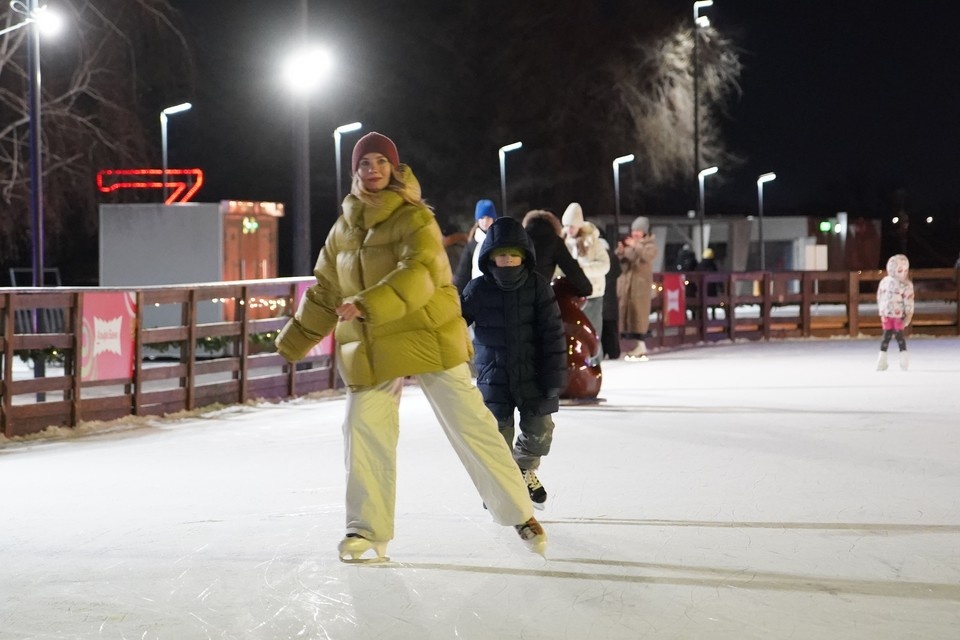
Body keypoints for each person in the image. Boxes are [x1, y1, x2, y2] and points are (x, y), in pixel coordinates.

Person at [274, 132, 546, 562]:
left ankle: (520, 513)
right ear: (355, 171)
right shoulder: (344, 227)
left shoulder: (415, 218)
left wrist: (367, 303)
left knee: (470, 423)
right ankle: (366, 531)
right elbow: (326, 289)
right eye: (365, 163)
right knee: (362, 427)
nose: (373, 170)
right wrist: (294, 341)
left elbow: (419, 272)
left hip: (428, 332)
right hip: (373, 342)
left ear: (394, 168)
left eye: (381, 162)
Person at [460, 216, 567, 510]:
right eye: (501, 254)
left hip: (535, 376)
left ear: (524, 255)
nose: (507, 259)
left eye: (513, 253)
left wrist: (554, 378)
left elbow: (553, 334)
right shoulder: (477, 289)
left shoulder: (538, 287)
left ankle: (520, 470)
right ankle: (500, 485)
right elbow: (454, 324)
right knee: (496, 438)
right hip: (494, 377)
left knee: (540, 434)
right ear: (490, 256)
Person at [561, 203, 611, 363]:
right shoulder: (562, 242)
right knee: (573, 331)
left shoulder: (593, 242)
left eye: (572, 226)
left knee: (592, 331)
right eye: (566, 226)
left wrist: (582, 270)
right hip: (571, 295)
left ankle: (594, 364)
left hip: (592, 293)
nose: (569, 229)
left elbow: (605, 265)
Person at [520, 209, 592, 297]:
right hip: (537, 295)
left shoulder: (517, 239)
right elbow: (571, 268)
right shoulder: (554, 241)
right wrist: (586, 289)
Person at [616, 215, 658, 361]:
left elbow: (646, 256)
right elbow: (626, 265)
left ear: (644, 232)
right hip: (628, 286)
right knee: (629, 316)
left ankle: (640, 345)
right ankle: (635, 346)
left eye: (638, 231)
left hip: (640, 287)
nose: (635, 233)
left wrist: (636, 246)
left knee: (639, 316)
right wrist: (621, 253)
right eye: (634, 230)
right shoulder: (631, 244)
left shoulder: (650, 245)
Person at [876, 253, 914, 371]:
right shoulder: (885, 282)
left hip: (898, 316)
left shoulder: (906, 285)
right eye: (900, 270)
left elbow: (908, 300)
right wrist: (882, 312)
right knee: (886, 336)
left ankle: (903, 358)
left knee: (899, 336)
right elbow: (881, 297)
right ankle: (882, 360)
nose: (903, 273)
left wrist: (908, 314)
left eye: (905, 270)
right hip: (887, 315)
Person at [453, 199, 498, 293]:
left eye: (488, 217)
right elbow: (463, 274)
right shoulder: (472, 245)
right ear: (477, 220)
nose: (485, 221)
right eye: (482, 217)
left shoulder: (500, 241)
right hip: (478, 293)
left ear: (493, 219)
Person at [600, 229, 622, 359]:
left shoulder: (597, 256)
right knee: (611, 326)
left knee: (600, 326)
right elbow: (618, 272)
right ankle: (614, 351)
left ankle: (602, 351)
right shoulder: (613, 257)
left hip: (599, 294)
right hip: (611, 296)